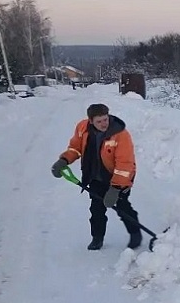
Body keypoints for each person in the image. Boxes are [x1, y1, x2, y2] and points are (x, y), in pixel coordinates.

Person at [51, 103, 141, 250]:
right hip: (95, 177)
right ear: (90, 121)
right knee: (96, 209)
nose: (103, 124)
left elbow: (125, 163)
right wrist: (64, 160)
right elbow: (75, 147)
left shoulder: (120, 134)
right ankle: (97, 238)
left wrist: (116, 188)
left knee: (123, 207)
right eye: (98, 121)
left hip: (118, 176)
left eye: (105, 119)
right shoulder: (83, 128)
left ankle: (135, 233)